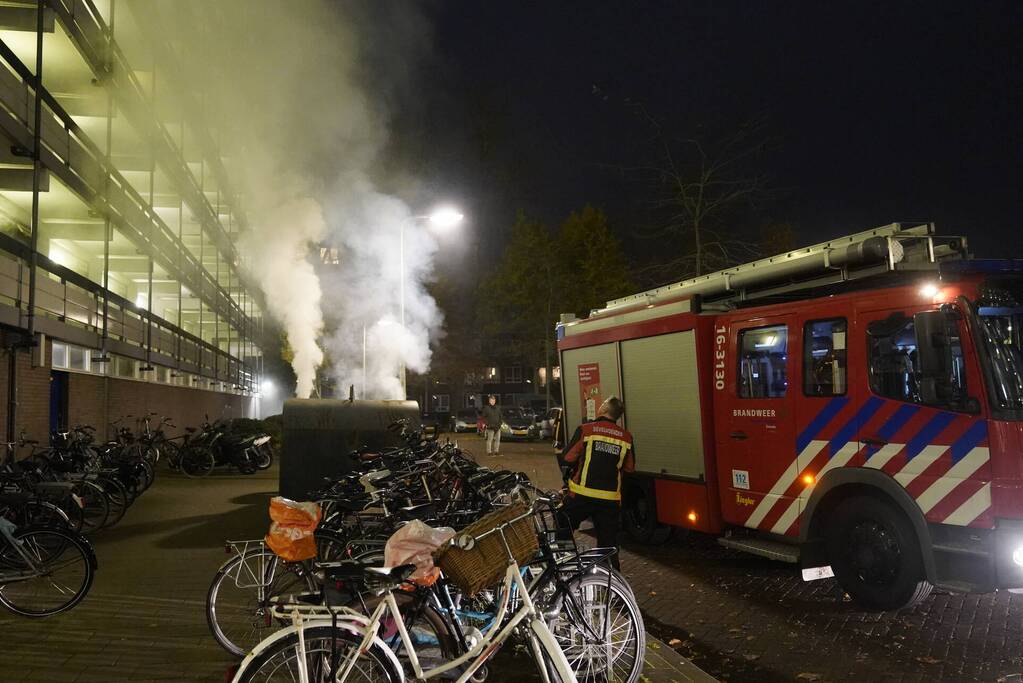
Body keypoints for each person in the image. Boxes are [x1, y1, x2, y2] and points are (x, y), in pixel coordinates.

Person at [558, 396, 634, 569]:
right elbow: (630, 467)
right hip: (609, 501)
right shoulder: (626, 437)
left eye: (603, 403)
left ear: (605, 409)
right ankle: (613, 585)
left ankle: (564, 566)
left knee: (562, 525)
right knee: (608, 546)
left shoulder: (586, 429)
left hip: (581, 496)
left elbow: (568, 457)